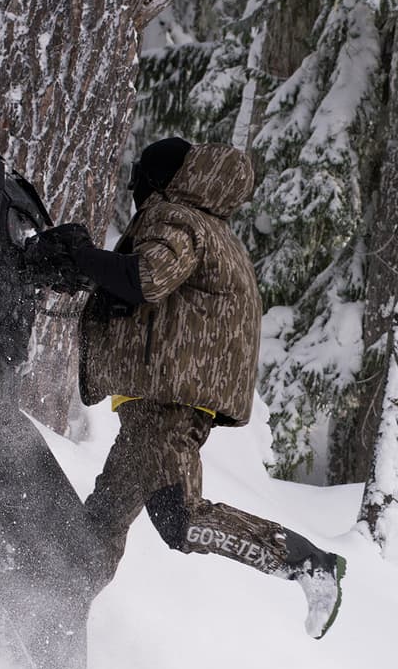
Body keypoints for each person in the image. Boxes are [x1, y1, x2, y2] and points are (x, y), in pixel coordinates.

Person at [24, 136, 346, 639]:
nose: (135, 194)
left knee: (180, 517)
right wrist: (94, 278)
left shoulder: (178, 219)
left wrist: (84, 258)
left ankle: (308, 563)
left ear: (161, 184)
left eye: (139, 182)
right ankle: (49, 635)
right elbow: (155, 300)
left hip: (166, 411)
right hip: (155, 413)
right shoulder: (214, 232)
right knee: (96, 532)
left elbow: (146, 277)